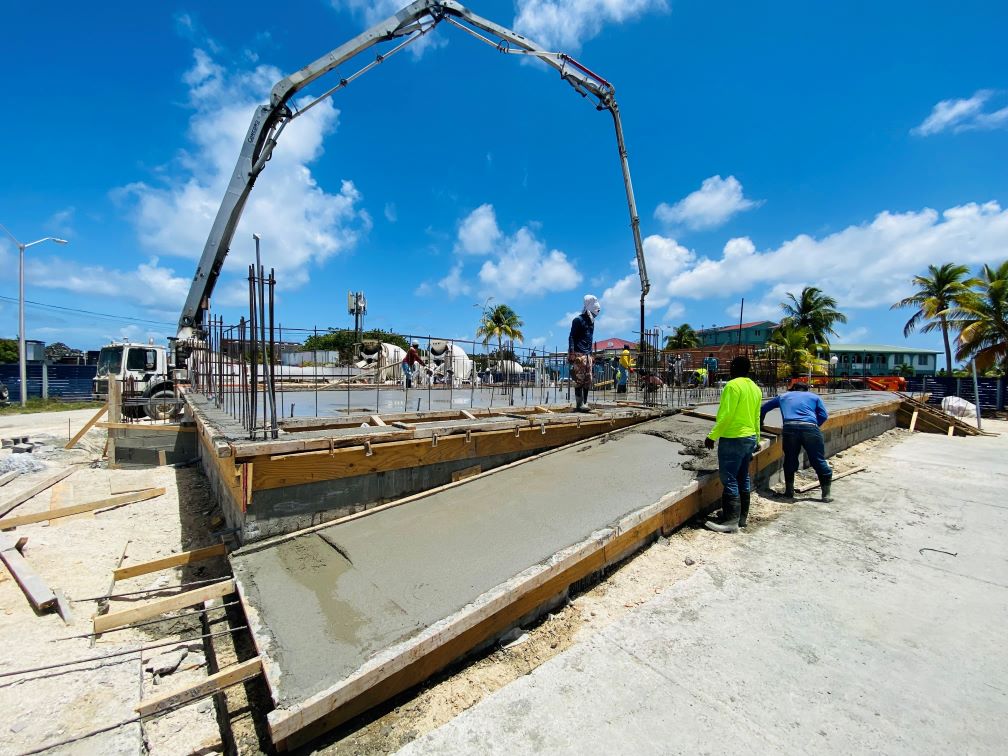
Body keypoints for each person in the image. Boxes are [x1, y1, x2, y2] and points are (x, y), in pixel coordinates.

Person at [704, 356, 762, 533]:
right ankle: (741, 518)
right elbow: (757, 416)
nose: (729, 369)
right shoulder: (755, 388)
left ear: (735, 367)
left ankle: (730, 522)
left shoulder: (732, 386)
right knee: (742, 476)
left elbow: (726, 415)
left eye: (731, 366)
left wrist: (712, 436)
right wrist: (757, 439)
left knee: (729, 478)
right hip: (749, 437)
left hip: (733, 437)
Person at [760, 382, 833, 502]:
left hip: (790, 428)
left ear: (792, 389)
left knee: (790, 459)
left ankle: (789, 492)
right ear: (806, 390)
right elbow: (823, 415)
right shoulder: (814, 397)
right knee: (818, 460)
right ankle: (826, 495)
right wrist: (814, 426)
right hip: (810, 428)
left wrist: (760, 423)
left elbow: (764, 408)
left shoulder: (784, 396)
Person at [568, 294, 600, 411]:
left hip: (588, 354)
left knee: (588, 380)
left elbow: (589, 339)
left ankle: (585, 403)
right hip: (579, 354)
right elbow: (571, 337)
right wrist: (572, 353)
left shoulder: (591, 322)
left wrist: (591, 354)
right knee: (579, 380)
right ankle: (579, 404)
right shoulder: (578, 320)